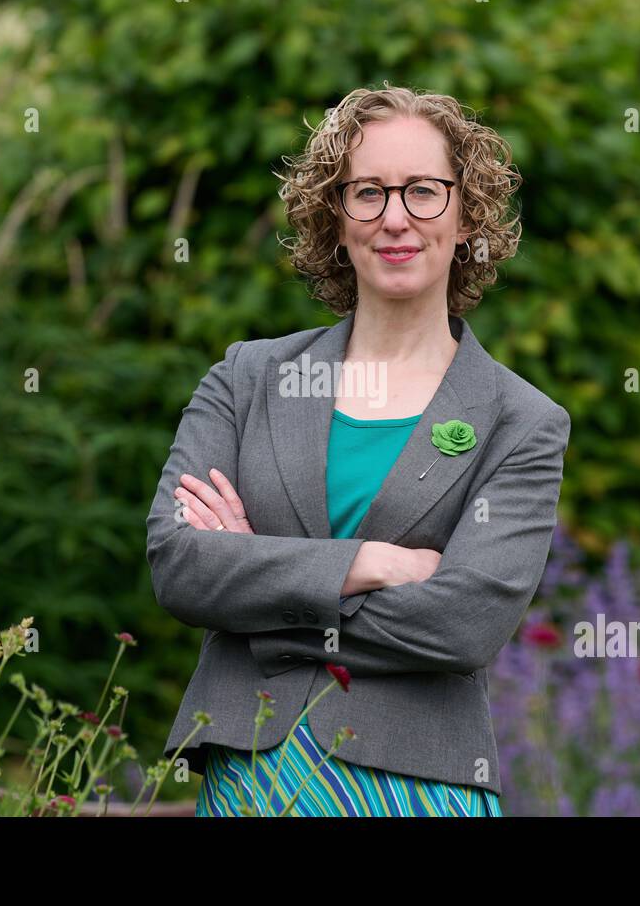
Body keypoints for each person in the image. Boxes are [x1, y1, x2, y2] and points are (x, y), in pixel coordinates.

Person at [146, 83, 571, 816]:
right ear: (334, 219)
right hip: (250, 779)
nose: (396, 218)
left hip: (418, 789)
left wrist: (261, 596)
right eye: (367, 193)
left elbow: (465, 625)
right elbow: (180, 564)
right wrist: (368, 565)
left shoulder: (521, 422)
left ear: (467, 213)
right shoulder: (247, 378)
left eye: (424, 192)